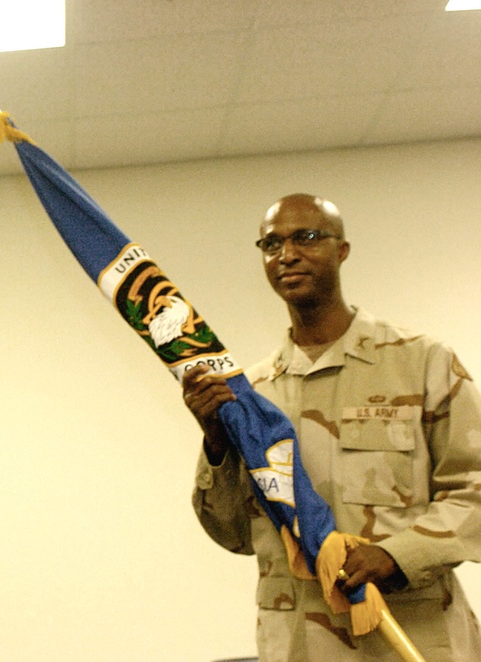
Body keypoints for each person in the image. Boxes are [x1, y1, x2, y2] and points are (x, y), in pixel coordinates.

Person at [183, 193, 481, 661]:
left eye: (307, 237)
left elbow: (474, 489)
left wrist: (399, 555)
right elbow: (235, 534)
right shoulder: (251, 394)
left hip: (408, 635)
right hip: (299, 643)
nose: (288, 254)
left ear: (342, 250)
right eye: (271, 243)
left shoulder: (420, 363)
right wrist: (217, 443)